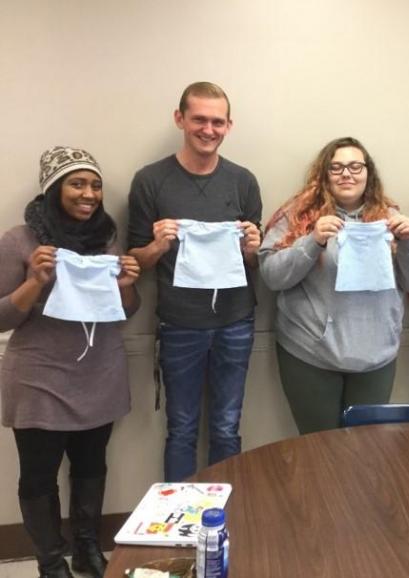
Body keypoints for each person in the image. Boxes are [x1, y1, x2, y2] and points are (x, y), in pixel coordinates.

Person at [0, 147, 140, 578]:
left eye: (95, 185)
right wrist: (33, 282)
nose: (89, 194)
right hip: (39, 377)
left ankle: (86, 548)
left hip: (100, 373)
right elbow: (2, 316)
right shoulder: (20, 240)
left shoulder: (107, 239)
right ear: (53, 189)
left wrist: (127, 285)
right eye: (77, 183)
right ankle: (49, 561)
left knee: (92, 465)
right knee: (39, 476)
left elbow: (128, 311)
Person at [127, 82, 262, 482]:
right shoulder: (150, 180)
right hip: (179, 323)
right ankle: (177, 526)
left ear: (229, 125)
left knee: (226, 428)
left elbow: (253, 263)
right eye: (199, 119)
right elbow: (136, 261)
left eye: (217, 121)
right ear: (180, 119)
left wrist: (252, 248)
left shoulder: (243, 181)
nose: (208, 129)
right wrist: (156, 245)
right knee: (181, 429)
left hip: (236, 321)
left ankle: (227, 516)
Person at [258, 136, 409, 434]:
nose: (346, 174)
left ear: (368, 173)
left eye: (354, 166)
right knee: (319, 449)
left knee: (366, 450)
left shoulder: (390, 219)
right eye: (336, 168)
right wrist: (312, 242)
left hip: (376, 357)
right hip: (310, 355)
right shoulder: (297, 216)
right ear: (324, 175)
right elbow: (272, 276)